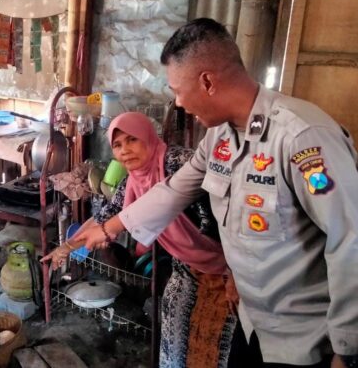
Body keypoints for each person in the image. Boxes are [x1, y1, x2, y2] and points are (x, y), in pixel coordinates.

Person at [66, 18, 358, 368]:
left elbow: (350, 241)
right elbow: (173, 191)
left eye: (177, 89)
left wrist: (347, 348)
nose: (178, 101)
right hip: (251, 323)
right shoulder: (219, 139)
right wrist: (109, 227)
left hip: (307, 339)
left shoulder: (301, 137)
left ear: (207, 81)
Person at [42, 112, 239, 367]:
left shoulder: (179, 163)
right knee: (173, 339)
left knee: (214, 345)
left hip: (229, 267)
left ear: (149, 137)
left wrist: (238, 269)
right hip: (187, 267)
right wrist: (66, 247)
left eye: (132, 140)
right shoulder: (132, 182)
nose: (125, 151)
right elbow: (104, 219)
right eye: (117, 145)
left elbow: (235, 211)